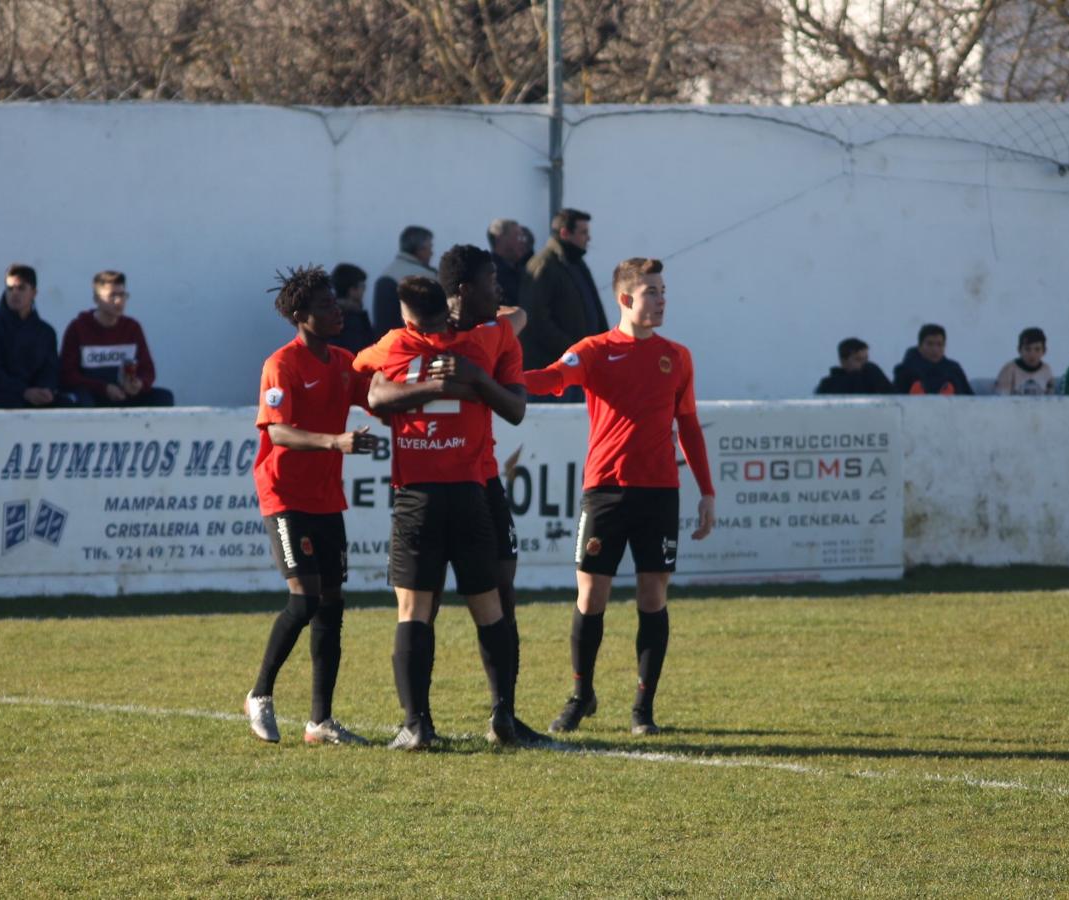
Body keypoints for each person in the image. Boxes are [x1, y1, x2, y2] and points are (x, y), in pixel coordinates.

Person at [523, 257, 716, 737]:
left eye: (663, 290)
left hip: (659, 493)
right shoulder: (593, 350)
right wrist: (495, 382)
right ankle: (580, 695)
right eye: (652, 291)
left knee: (653, 595)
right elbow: (551, 378)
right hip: (605, 490)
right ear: (626, 298)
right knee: (591, 595)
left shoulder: (678, 357)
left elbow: (689, 426)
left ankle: (642, 709)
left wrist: (707, 491)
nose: (662, 299)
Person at [367, 245, 543, 746]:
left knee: (468, 596)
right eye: (492, 281)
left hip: (463, 485)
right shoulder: (490, 336)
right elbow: (517, 319)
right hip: (465, 486)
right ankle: (489, 714)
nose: (500, 290)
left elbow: (371, 384)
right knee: (485, 600)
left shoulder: (401, 343)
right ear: (464, 290)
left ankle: (479, 717)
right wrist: (466, 385)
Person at [244, 266, 378, 747]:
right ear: (301, 316)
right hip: (284, 495)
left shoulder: (344, 361)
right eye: (325, 306)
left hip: (325, 497)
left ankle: (320, 722)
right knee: (304, 599)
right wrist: (335, 441)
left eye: (335, 302)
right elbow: (278, 432)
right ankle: (260, 694)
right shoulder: (281, 364)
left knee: (332, 604)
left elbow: (378, 398)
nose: (336, 311)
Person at [59, 271, 174, 407]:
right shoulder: (78, 328)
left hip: (125, 394)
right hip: (93, 395)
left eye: (122, 295)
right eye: (112, 296)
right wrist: (104, 388)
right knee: (81, 401)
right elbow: (67, 375)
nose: (119, 301)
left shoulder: (132, 327)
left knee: (164, 397)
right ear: (97, 299)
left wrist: (139, 384)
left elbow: (147, 369)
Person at [519, 208, 608, 374]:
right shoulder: (544, 265)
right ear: (565, 233)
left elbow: (595, 308)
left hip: (582, 364)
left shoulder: (576, 263)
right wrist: (573, 350)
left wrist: (604, 346)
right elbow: (536, 318)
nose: (588, 238)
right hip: (556, 367)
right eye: (583, 232)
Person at [0, 264, 74, 409]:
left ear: (34, 293)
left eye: (21, 288)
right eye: (10, 289)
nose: (14, 293)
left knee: (67, 404)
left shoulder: (46, 332)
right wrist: (23, 391)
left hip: (34, 397)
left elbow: (50, 369)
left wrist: (45, 389)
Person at [371, 226, 435, 335]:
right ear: (420, 250)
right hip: (415, 341)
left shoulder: (388, 272)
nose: (432, 252)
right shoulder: (426, 277)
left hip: (387, 341)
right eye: (430, 247)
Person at [892, 324, 973, 395]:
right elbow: (894, 401)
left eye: (939, 344)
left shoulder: (954, 370)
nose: (935, 349)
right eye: (930, 344)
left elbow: (971, 400)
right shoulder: (905, 371)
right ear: (920, 346)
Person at [815, 337, 893, 395]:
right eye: (858, 359)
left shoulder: (872, 375)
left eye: (866, 359)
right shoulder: (828, 385)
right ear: (843, 361)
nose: (864, 363)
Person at [328, 263, 375, 354]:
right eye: (362, 286)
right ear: (352, 290)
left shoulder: (330, 316)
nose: (364, 290)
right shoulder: (351, 320)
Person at [995, 327, 1056, 396]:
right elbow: (1002, 399)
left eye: (1037, 349)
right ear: (1019, 350)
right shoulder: (1009, 370)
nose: (1032, 354)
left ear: (1044, 351)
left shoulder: (1046, 370)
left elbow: (1051, 398)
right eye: (1027, 349)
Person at [487, 218, 525, 308]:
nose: (522, 242)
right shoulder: (488, 272)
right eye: (518, 237)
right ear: (500, 239)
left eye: (522, 237)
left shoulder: (523, 270)